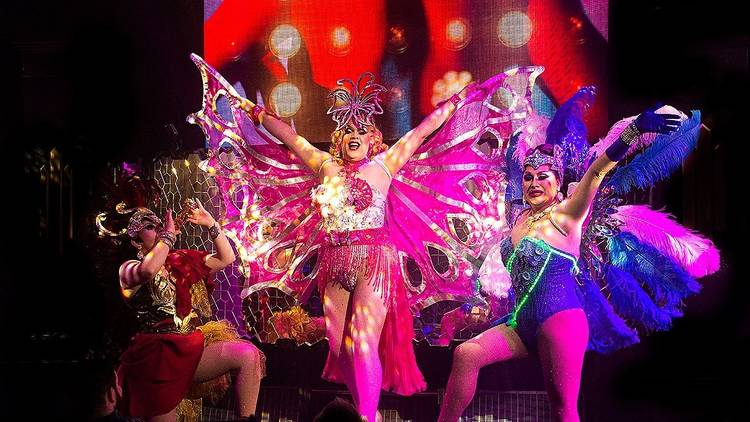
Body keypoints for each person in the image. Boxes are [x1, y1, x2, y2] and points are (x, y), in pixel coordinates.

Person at [232, 73, 482, 421]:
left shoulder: (384, 164)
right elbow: (289, 136)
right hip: (334, 262)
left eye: (362, 130)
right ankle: (368, 408)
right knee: (339, 349)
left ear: (373, 139)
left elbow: (422, 131)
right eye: (348, 130)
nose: (354, 135)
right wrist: (254, 113)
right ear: (339, 138)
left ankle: (366, 415)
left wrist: (456, 102)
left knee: (363, 345)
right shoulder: (324, 165)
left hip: (374, 262)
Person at [437, 105, 702, 422]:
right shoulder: (520, 220)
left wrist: (632, 133)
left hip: (560, 321)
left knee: (563, 409)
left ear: (559, 183)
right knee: (466, 354)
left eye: (543, 177)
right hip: (521, 323)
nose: (534, 183)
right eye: (529, 177)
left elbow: (597, 171)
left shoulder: (568, 214)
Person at [114, 198, 264, 422]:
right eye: (149, 226)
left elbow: (226, 258)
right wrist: (168, 236)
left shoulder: (178, 261)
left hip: (189, 347)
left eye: (159, 224)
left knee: (247, 355)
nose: (160, 229)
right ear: (135, 241)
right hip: (158, 359)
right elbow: (148, 271)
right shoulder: (128, 268)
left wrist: (211, 224)